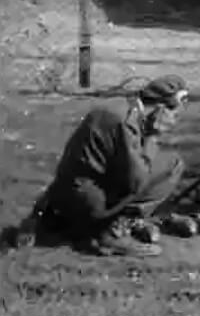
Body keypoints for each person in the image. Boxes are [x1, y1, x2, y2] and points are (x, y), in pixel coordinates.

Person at [24, 75, 189, 256]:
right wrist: (152, 136)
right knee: (171, 167)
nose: (174, 119)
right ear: (160, 107)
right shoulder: (125, 122)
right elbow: (135, 181)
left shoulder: (122, 107)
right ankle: (109, 230)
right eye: (174, 112)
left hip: (67, 189)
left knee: (171, 162)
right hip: (87, 197)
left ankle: (64, 216)